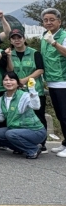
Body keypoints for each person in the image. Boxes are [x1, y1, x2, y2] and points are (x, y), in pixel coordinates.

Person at [0, 72, 46, 159]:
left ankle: (33, 150)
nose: (8, 82)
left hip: (35, 131)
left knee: (10, 134)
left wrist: (32, 89)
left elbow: (36, 106)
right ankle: (21, 148)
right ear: (2, 83)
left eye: (11, 80)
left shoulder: (24, 95)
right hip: (16, 129)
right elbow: (0, 117)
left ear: (17, 83)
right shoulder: (2, 99)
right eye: (6, 80)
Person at [40, 8, 66, 158]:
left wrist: (54, 43)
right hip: (51, 81)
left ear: (59, 21)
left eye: (52, 19)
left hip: (63, 81)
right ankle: (65, 143)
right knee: (60, 115)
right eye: (45, 20)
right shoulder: (45, 35)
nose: (48, 22)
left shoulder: (63, 36)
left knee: (65, 115)